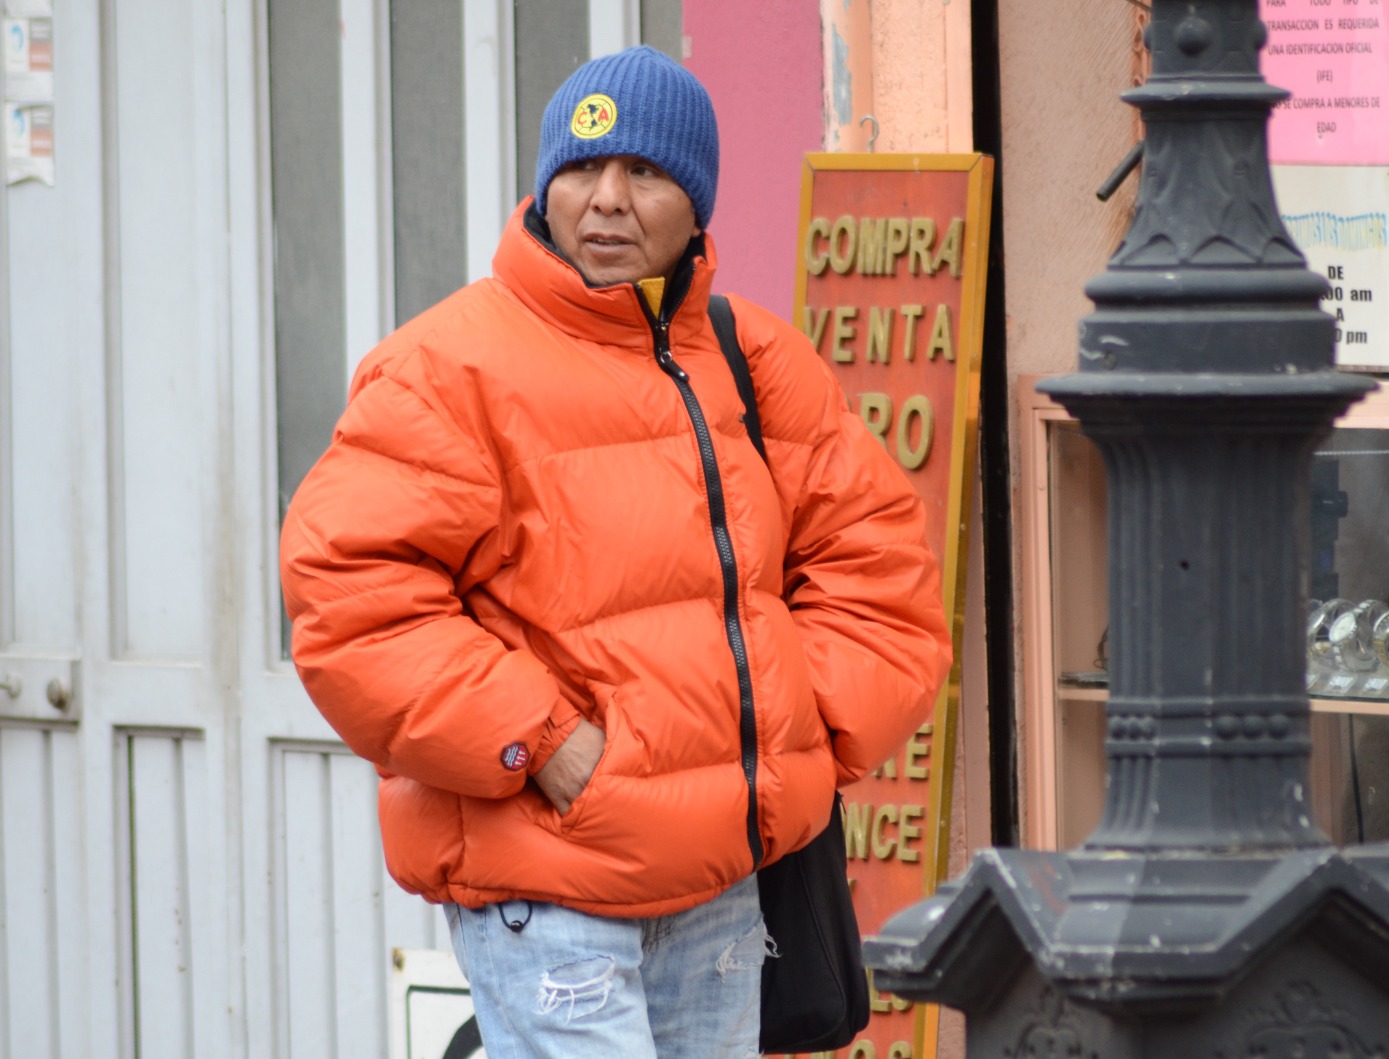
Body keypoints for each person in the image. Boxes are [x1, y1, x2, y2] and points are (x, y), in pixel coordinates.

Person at [279, 45, 950, 1059]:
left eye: (643, 171)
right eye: (582, 168)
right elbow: (351, 600)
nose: (605, 199)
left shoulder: (753, 358)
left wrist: (786, 735)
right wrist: (540, 739)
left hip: (723, 888)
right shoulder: (446, 367)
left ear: (697, 202)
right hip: (550, 889)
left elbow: (877, 571)